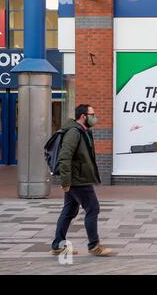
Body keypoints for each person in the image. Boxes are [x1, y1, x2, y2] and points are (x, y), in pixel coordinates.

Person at [50, 104, 114, 256]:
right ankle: (94, 246)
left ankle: (58, 245)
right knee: (93, 208)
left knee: (69, 211)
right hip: (78, 180)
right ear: (83, 116)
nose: (95, 117)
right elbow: (64, 157)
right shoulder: (74, 132)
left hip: (77, 178)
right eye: (92, 114)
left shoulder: (83, 131)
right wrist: (65, 182)